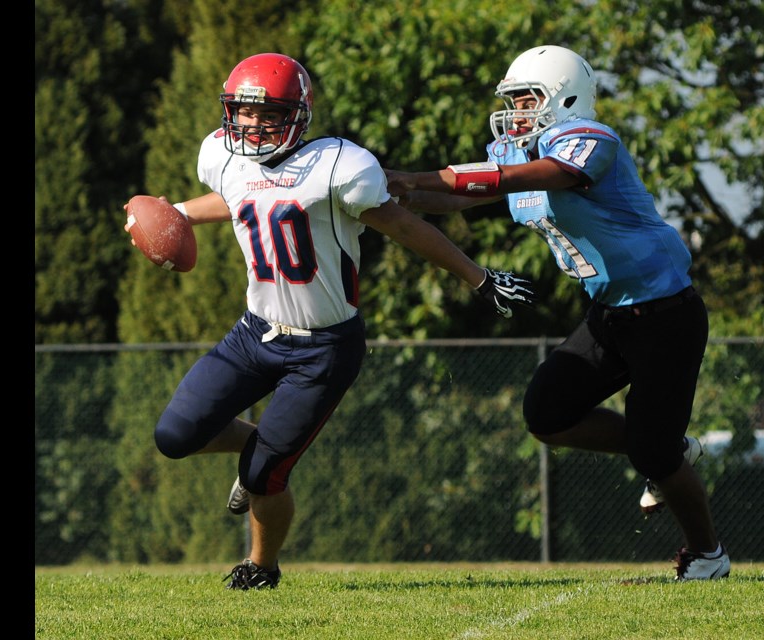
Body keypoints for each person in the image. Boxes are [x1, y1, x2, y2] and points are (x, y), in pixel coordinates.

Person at [124, 53, 534, 590]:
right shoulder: (224, 158)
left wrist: (477, 278)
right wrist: (172, 213)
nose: (250, 125)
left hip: (324, 347)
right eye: (242, 113)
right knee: (174, 435)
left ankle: (260, 566)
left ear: (298, 113)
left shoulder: (340, 165)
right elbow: (243, 197)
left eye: (266, 113)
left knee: (264, 477)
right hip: (255, 333)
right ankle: (261, 441)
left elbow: (404, 225)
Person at [385, 45, 729, 580]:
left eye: (528, 99)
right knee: (547, 414)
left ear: (566, 96)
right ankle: (667, 447)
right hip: (610, 312)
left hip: (665, 313)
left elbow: (515, 179)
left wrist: (417, 175)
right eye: (514, 100)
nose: (517, 111)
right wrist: (391, 195)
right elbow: (462, 198)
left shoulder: (592, 140)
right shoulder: (516, 150)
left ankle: (708, 554)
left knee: (656, 456)